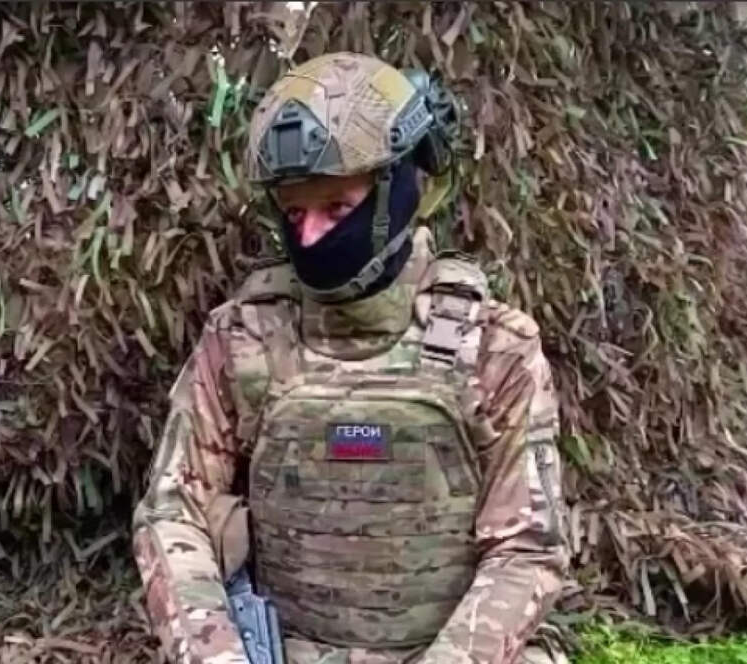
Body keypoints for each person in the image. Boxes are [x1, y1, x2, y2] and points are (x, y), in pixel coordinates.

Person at [132, 52, 570, 664]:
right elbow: (171, 512)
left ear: (403, 192)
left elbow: (527, 549)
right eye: (294, 212)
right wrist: (217, 653)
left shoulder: (494, 346)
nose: (310, 237)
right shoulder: (243, 337)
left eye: (337, 208)